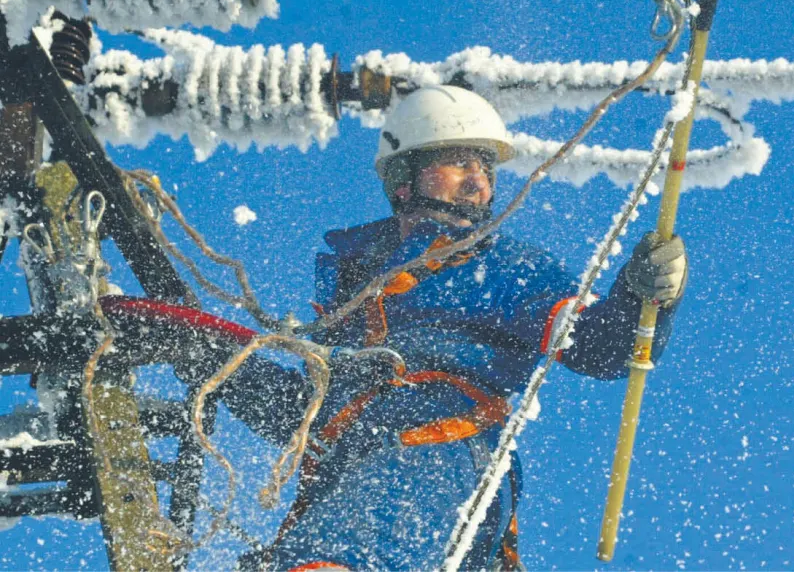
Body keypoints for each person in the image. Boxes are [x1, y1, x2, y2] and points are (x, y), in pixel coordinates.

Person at [218, 85, 687, 571]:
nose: (479, 183)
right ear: (405, 179)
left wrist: (641, 295)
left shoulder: (503, 266)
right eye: (462, 164)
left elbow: (600, 347)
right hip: (345, 480)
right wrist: (207, 355)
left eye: (485, 170)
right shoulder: (353, 282)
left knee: (353, 537)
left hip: (443, 454)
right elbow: (302, 411)